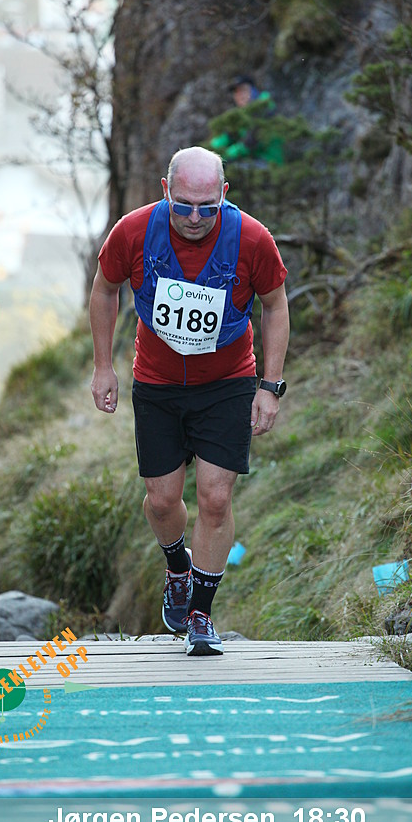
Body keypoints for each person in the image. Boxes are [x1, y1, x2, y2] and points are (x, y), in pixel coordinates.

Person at [89, 146, 289, 656]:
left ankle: (201, 614)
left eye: (207, 206)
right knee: (162, 501)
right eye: (183, 206)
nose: (195, 218)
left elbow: (274, 305)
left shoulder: (252, 238)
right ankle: (177, 566)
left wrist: (270, 385)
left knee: (216, 499)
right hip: (157, 383)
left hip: (227, 382)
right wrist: (104, 366)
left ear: (224, 194)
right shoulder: (133, 231)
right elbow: (105, 289)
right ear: (165, 191)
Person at [209, 76, 285, 165]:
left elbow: (251, 142)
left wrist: (224, 155)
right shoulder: (243, 115)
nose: (240, 95)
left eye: (243, 90)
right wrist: (211, 148)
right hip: (254, 159)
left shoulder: (264, 108)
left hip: (269, 161)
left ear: (253, 91)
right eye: (236, 92)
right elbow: (230, 134)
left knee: (229, 168)